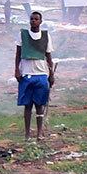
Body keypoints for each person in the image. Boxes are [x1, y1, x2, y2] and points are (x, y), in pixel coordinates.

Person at [14, 12, 55, 141]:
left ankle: (39, 133)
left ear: (40, 21)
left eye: (36, 19)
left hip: (41, 73)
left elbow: (49, 57)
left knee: (39, 105)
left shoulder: (45, 36)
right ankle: (27, 134)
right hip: (26, 74)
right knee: (27, 105)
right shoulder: (23, 35)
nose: (33, 21)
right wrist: (16, 70)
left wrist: (51, 74)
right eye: (31, 19)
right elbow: (18, 54)